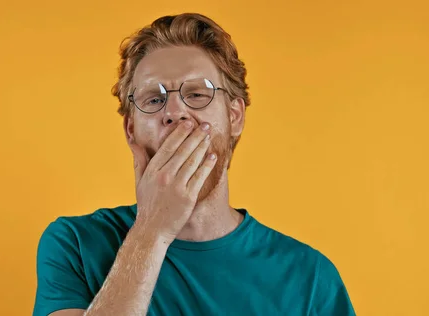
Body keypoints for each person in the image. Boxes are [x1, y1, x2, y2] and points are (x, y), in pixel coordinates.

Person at [33, 12, 356, 316]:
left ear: (234, 117)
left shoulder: (309, 275)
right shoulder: (75, 243)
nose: (175, 112)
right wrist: (152, 228)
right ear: (131, 129)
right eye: (154, 100)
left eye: (198, 94)